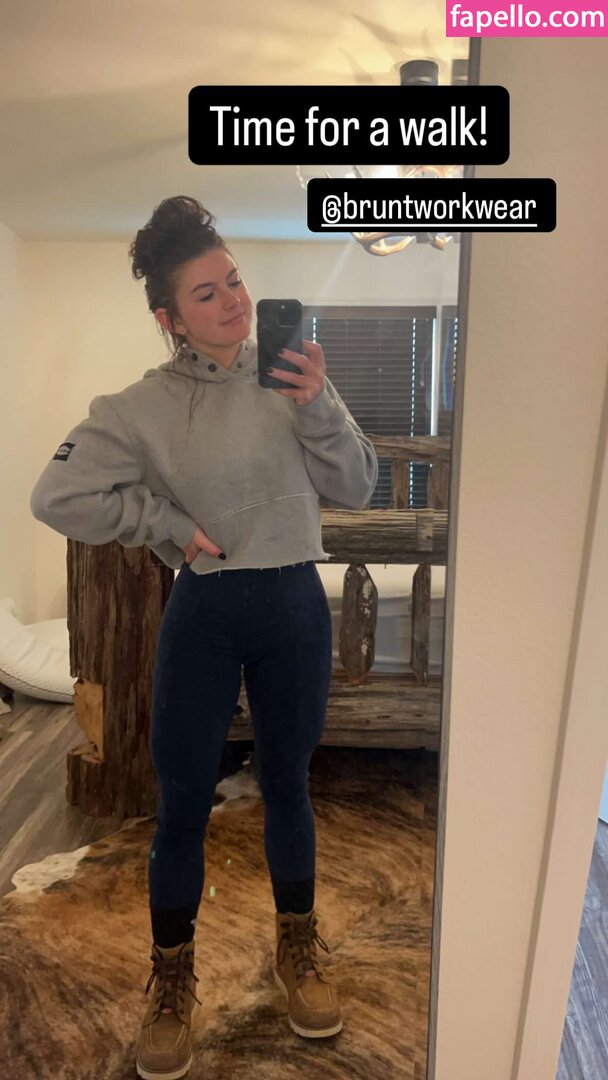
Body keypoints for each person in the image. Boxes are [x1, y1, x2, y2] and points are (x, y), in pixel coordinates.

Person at [30, 195, 379, 1080]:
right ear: (170, 319)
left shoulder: (293, 375)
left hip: (294, 605)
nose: (233, 301)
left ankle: (297, 952)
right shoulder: (137, 409)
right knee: (183, 800)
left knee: (289, 784)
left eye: (235, 281)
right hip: (207, 612)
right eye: (207, 292)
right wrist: (164, 524)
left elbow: (358, 485)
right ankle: (171, 982)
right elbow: (55, 496)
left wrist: (317, 406)